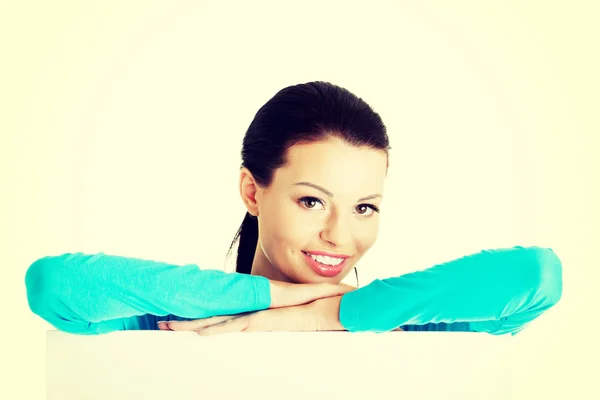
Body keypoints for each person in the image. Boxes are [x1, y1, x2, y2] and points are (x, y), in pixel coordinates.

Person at [25, 81, 562, 336]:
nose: (339, 235)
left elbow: (536, 277)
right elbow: (54, 288)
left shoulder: (402, 326)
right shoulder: (183, 322)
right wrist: (265, 301)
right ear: (253, 191)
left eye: (364, 208)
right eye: (312, 200)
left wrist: (326, 315)